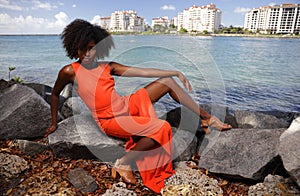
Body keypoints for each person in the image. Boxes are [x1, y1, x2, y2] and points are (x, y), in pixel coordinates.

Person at [44, 19, 232, 193]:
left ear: (98, 47)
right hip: (110, 119)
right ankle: (124, 163)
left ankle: (207, 119)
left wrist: (174, 71)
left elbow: (142, 71)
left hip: (127, 104)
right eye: (81, 49)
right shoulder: (69, 71)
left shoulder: (107, 66)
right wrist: (54, 124)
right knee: (161, 127)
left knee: (168, 82)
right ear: (73, 48)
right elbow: (54, 94)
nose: (87, 54)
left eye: (91, 48)